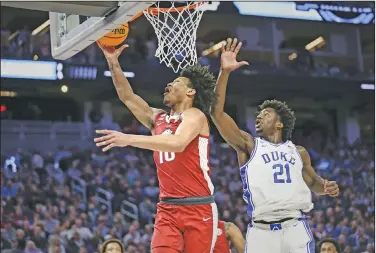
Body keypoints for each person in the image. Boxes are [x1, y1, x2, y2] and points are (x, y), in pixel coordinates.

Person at [210, 38, 340, 253]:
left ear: (280, 123)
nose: (259, 117)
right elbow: (216, 113)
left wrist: (325, 186)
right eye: (258, 114)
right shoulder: (249, 145)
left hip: (295, 226)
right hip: (262, 230)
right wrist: (224, 73)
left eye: (266, 114)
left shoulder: (298, 152)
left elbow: (312, 182)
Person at [95, 43, 218, 253]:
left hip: (198, 207)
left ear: (191, 91)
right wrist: (113, 62)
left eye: (176, 82)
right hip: (167, 208)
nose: (168, 85)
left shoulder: (195, 116)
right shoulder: (157, 118)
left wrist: (129, 139)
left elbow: (178, 143)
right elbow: (127, 96)